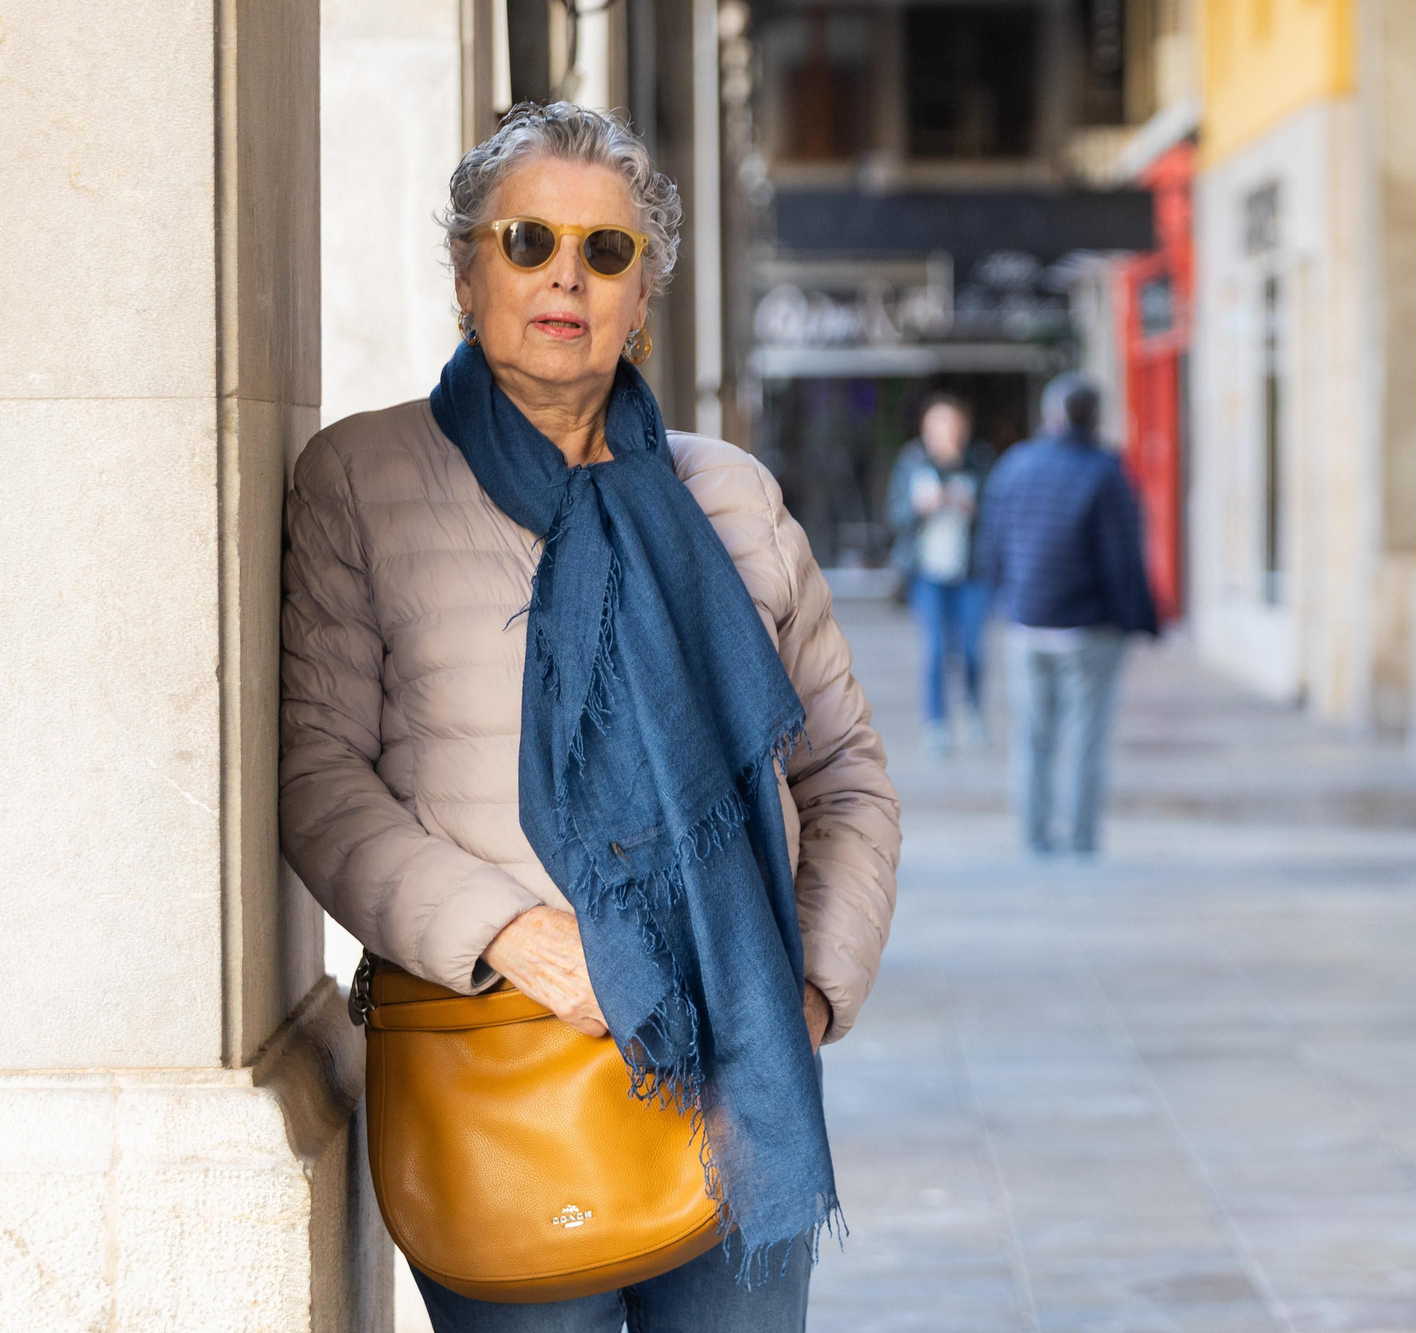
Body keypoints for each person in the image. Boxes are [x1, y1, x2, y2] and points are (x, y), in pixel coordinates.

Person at [279, 102, 899, 1332]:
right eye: (527, 241)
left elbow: (846, 776)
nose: (565, 272)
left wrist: (812, 992)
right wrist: (509, 932)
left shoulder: (729, 493)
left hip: (740, 1092)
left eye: (605, 251)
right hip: (499, 1071)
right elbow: (316, 775)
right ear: (467, 272)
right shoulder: (363, 478)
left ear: (641, 301)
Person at [977, 374, 1158, 858]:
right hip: (1089, 630)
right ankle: (1080, 840)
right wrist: (1142, 619)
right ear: (1095, 418)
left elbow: (992, 543)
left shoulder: (1014, 466)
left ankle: (1035, 838)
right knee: (1085, 738)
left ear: (1049, 416)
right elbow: (1124, 559)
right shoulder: (1107, 473)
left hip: (1027, 624)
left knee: (1032, 738)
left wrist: (1006, 599)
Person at [886, 392, 995, 756]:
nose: (945, 432)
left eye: (951, 425)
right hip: (927, 575)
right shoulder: (912, 462)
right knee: (934, 651)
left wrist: (973, 508)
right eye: (937, 425)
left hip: (972, 573)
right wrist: (921, 508)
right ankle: (936, 724)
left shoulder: (979, 462)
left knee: (971, 649)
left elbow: (997, 515)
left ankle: (973, 710)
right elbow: (895, 515)